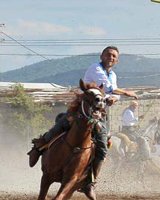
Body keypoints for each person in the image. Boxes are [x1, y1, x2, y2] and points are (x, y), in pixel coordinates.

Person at [28, 46, 138, 198]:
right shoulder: (96, 68)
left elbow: (113, 92)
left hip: (100, 114)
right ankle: (38, 148)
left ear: (117, 61)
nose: (110, 58)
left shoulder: (113, 75)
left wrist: (115, 97)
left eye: (114, 56)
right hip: (82, 109)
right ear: (102, 56)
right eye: (108, 55)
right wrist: (126, 93)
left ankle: (89, 183)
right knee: (61, 125)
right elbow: (107, 88)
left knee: (102, 146)